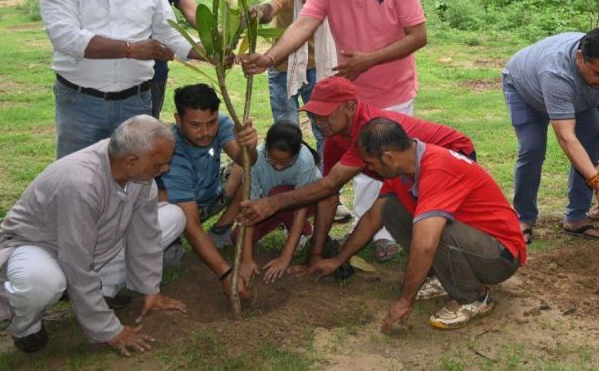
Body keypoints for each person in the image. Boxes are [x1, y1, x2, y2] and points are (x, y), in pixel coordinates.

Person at [240, 0, 428, 254]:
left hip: (395, 92)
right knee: (362, 162)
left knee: (392, 160)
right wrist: (269, 58)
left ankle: (386, 233)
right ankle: (364, 229)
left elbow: (418, 36)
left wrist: (370, 60)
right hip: (353, 96)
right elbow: (302, 24)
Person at [0, 116, 188, 354]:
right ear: (131, 161)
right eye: (159, 164)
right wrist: (109, 330)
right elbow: (76, 262)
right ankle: (26, 328)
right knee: (41, 282)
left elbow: (146, 233)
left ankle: (103, 292)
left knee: (173, 216)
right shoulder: (80, 184)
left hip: (91, 242)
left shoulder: (135, 171)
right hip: (38, 247)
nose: (165, 169)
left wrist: (150, 290)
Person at [236, 76, 475, 267]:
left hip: (452, 155)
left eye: (326, 114)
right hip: (409, 176)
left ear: (350, 107)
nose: (318, 121)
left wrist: (272, 203)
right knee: (397, 210)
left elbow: (328, 185)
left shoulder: (366, 130)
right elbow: (329, 195)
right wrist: (316, 256)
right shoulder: (335, 140)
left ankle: (459, 275)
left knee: (439, 225)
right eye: (315, 115)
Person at [310, 118, 524, 331]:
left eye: (371, 163)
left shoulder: (437, 169)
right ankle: (446, 277)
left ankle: (474, 298)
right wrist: (338, 260)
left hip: (500, 255)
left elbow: (425, 244)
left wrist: (405, 301)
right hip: (475, 241)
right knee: (391, 208)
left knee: (433, 232)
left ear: (388, 158)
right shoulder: (406, 165)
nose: (369, 168)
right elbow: (372, 218)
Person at [40, 0, 203, 159]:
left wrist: (203, 52)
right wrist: (132, 49)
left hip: (135, 102)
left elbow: (169, 33)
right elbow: (67, 38)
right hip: (80, 104)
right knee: (78, 176)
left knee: (136, 176)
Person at [252, 0, 351, 222]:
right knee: (287, 131)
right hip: (283, 71)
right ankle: (284, 195)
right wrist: (258, 12)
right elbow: (273, 6)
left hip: (319, 71)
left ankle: (328, 195)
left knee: (327, 134)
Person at [503, 28, 599, 243]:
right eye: (598, 74)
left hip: (577, 97)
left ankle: (576, 217)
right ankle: (523, 217)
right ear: (580, 57)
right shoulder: (556, 71)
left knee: (591, 137)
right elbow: (566, 137)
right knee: (532, 148)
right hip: (525, 89)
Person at [156, 84, 256, 300]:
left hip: (212, 194)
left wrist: (249, 147)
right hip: (183, 209)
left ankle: (219, 232)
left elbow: (247, 162)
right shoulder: (173, 151)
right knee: (172, 209)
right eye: (195, 125)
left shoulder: (220, 124)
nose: (206, 132)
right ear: (178, 119)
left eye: (211, 123)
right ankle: (170, 243)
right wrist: (226, 273)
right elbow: (190, 224)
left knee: (246, 172)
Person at [226, 121, 322, 284]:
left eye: (286, 163)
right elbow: (250, 208)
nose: (278, 167)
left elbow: (300, 210)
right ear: (266, 148)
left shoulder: (304, 161)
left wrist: (285, 258)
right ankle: (283, 221)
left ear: (297, 154)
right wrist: (247, 259)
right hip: (270, 204)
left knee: (278, 194)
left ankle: (303, 233)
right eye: (272, 160)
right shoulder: (255, 160)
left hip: (306, 203)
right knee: (237, 238)